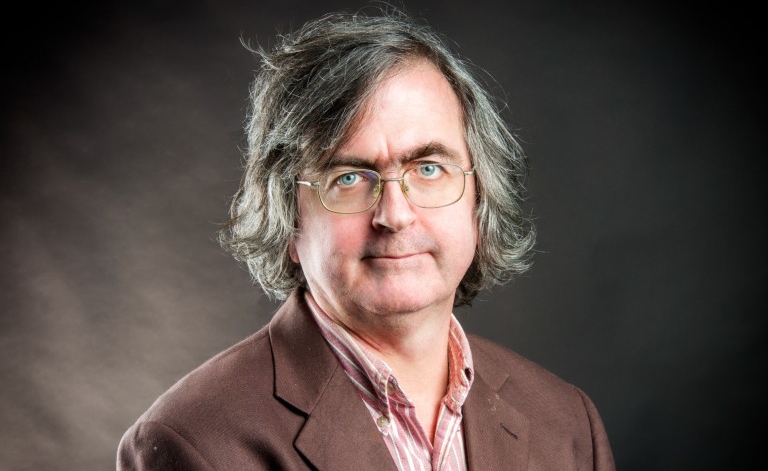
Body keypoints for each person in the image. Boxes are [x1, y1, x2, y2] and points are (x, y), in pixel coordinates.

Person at [117, 7, 616, 471]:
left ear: (478, 202)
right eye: (350, 178)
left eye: (428, 168)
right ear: (288, 220)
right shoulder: (194, 443)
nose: (395, 215)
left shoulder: (568, 424)